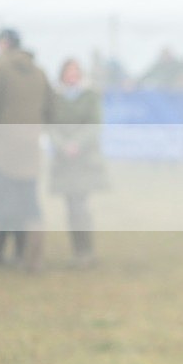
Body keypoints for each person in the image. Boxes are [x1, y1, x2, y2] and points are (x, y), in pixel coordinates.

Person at [0, 28, 52, 271]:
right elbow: (50, 109)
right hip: (29, 149)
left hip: (2, 149)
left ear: (4, 44)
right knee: (28, 204)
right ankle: (29, 258)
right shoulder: (39, 72)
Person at [48, 58, 107, 267]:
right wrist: (62, 145)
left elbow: (94, 125)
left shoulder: (89, 95)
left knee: (80, 205)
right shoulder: (55, 97)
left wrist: (76, 144)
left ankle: (86, 251)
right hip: (64, 161)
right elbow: (51, 125)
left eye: (75, 71)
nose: (71, 75)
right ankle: (77, 251)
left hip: (84, 160)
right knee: (70, 206)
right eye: (68, 72)